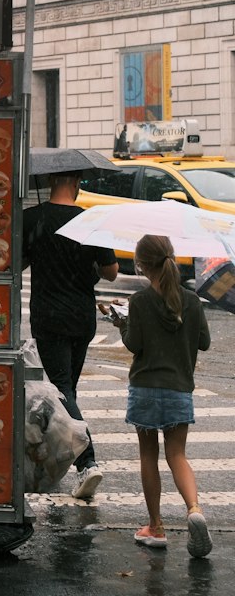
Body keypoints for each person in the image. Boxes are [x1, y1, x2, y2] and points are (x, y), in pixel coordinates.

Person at [112, 233, 212, 556]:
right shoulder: (192, 301)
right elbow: (205, 342)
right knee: (177, 455)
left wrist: (122, 327)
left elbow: (134, 344)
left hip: (144, 388)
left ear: (141, 265)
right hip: (179, 389)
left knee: (148, 456)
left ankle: (155, 527)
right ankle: (194, 509)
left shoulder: (139, 302)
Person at [22, 171, 118, 500]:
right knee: (68, 389)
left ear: (51, 182)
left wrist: (40, 248)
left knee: (62, 390)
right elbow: (112, 272)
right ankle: (71, 457)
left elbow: (16, 264)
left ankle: (86, 462)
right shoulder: (90, 221)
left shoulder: (32, 218)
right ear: (75, 183)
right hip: (81, 318)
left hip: (49, 317)